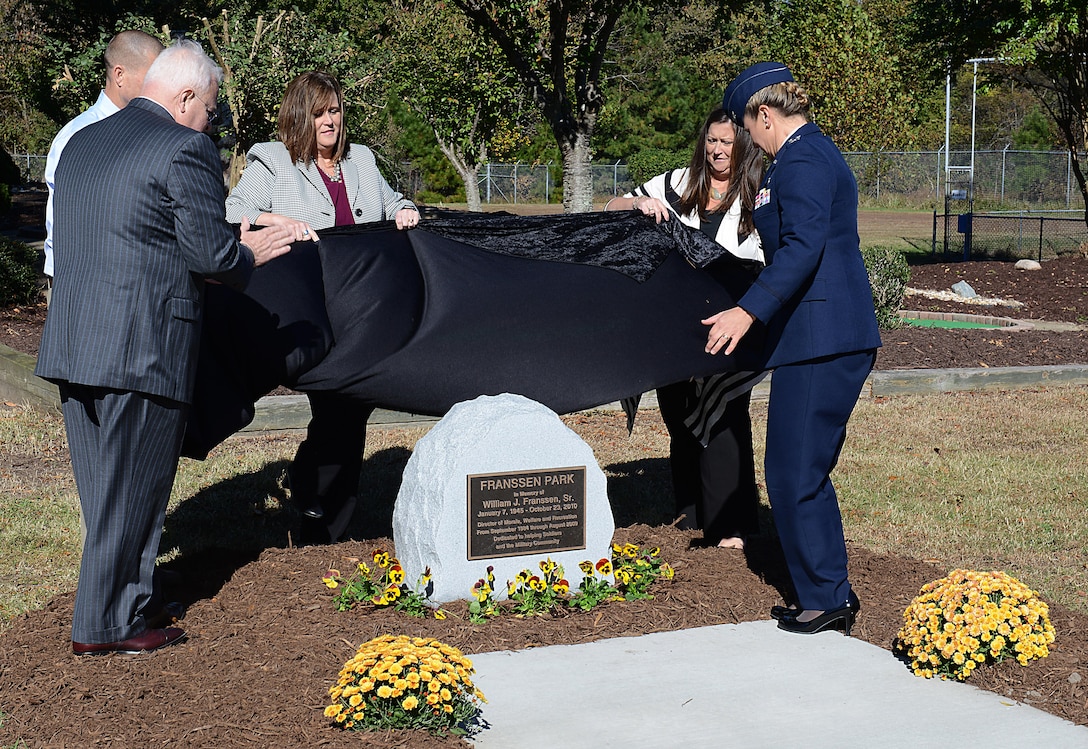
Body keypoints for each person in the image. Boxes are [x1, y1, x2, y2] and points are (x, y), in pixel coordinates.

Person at [35, 38, 295, 656]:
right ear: (184, 99)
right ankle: (108, 626)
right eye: (208, 108)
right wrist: (249, 252)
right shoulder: (185, 147)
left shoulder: (80, 144)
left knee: (106, 493)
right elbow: (208, 254)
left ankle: (122, 597)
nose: (211, 122)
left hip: (75, 344)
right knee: (140, 492)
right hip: (145, 350)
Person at [706, 62, 881, 635]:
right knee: (798, 468)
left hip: (822, 339)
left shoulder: (802, 158)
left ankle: (827, 599)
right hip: (820, 336)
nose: (745, 140)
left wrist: (747, 310)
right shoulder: (811, 153)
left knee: (792, 472)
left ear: (763, 115)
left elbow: (805, 247)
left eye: (746, 128)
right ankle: (825, 591)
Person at [225, 71, 420, 544]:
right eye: (318, 112)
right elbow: (234, 212)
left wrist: (404, 207)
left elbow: (389, 200)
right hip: (315, 312)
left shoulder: (363, 160)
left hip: (368, 308)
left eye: (333, 110)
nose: (329, 121)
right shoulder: (273, 161)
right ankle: (324, 513)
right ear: (300, 115)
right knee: (340, 408)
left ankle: (316, 488)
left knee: (351, 409)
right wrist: (279, 220)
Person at [606, 108, 765, 549]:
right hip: (674, 325)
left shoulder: (759, 191)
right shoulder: (678, 183)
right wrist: (639, 203)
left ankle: (731, 524)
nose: (717, 150)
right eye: (711, 141)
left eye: (727, 143)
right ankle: (690, 510)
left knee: (725, 412)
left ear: (744, 145)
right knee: (679, 416)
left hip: (730, 322)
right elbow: (611, 206)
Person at [43, 29, 165, 294]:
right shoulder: (76, 135)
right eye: (151, 77)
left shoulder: (154, 134)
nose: (159, 87)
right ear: (119, 75)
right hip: (78, 281)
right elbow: (61, 222)